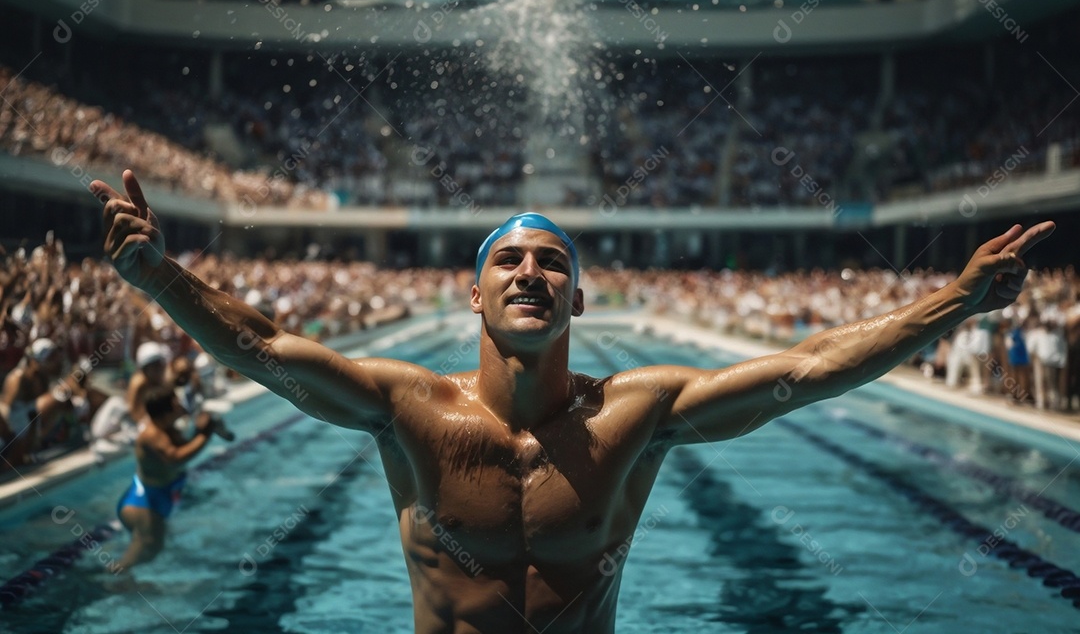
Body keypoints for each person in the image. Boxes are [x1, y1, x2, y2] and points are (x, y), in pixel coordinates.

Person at [91, 170, 1054, 633]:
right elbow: (264, 347)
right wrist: (159, 277)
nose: (530, 273)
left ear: (578, 299)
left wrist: (957, 299)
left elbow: (810, 368)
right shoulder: (406, 406)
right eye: (508, 260)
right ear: (474, 295)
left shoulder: (638, 415)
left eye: (552, 263)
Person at [115, 390, 219, 571]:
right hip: (142, 504)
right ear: (166, 410)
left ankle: (123, 578)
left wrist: (201, 429)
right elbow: (175, 458)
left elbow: (186, 446)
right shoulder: (152, 434)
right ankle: (113, 580)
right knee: (141, 551)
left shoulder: (168, 429)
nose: (181, 405)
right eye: (176, 403)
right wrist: (205, 435)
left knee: (153, 549)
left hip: (158, 498)